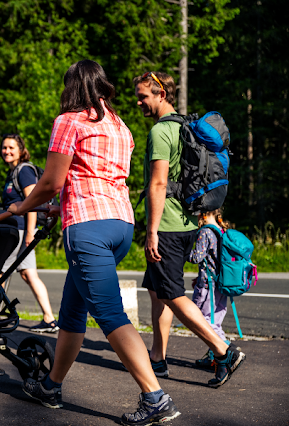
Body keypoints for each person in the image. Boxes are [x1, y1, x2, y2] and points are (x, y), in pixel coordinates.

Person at [9, 60, 180, 425]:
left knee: (110, 315)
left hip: (88, 227)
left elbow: (52, 182)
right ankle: (52, 386)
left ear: (72, 87)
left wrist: (23, 206)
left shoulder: (68, 121)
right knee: (72, 313)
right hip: (119, 224)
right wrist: (61, 205)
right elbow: (99, 177)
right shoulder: (120, 126)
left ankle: (155, 397)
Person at [133, 71, 245, 388]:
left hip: (166, 226)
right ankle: (158, 356)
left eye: (143, 96)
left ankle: (223, 351)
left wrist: (151, 231)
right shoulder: (187, 127)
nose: (138, 102)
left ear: (160, 94)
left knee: (172, 295)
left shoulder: (160, 132)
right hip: (187, 223)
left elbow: (158, 183)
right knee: (157, 290)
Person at [0, 134, 58, 333]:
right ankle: (49, 319)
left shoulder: (23, 171)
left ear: (21, 150)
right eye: (4, 147)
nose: (7, 151)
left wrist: (29, 234)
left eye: (11, 147)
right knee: (28, 274)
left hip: (19, 231)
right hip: (20, 230)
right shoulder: (13, 172)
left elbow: (32, 202)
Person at [188, 208, 232, 368]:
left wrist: (179, 249)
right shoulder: (221, 231)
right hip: (221, 284)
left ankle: (227, 350)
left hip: (208, 286)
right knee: (215, 321)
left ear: (203, 214)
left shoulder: (205, 232)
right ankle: (214, 355)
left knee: (203, 320)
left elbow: (196, 257)